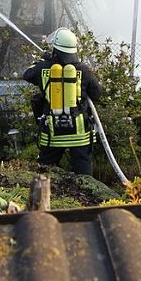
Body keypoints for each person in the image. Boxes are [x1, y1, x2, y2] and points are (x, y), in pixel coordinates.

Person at [23, 27, 103, 175]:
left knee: (44, 173)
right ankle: (87, 197)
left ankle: (44, 196)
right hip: (80, 135)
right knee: (85, 177)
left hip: (53, 133)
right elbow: (97, 93)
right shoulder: (84, 70)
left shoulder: (43, 68)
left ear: (55, 48)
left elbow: (27, 74)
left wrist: (43, 59)